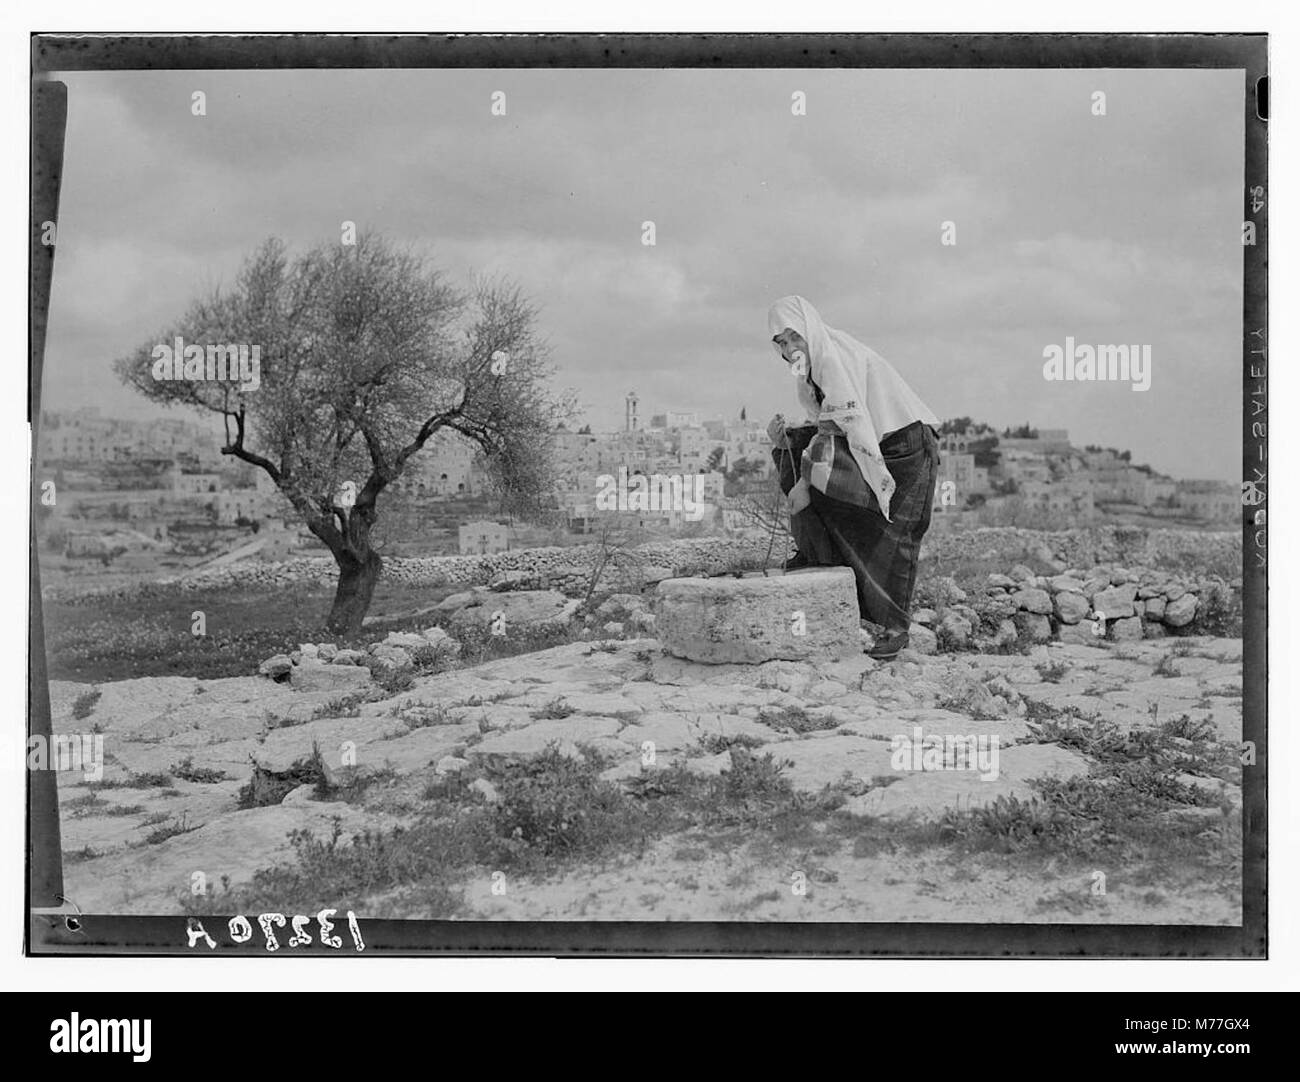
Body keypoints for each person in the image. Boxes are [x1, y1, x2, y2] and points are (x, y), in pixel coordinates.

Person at [766, 295, 941, 660]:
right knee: (791, 451)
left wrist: (805, 485)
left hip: (903, 448)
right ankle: (816, 553)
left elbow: (845, 424)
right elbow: (822, 424)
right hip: (870, 445)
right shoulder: (809, 371)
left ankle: (895, 628)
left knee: (893, 537)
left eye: (794, 336)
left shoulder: (832, 357)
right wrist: (783, 439)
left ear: (810, 330)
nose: (790, 347)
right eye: (781, 342)